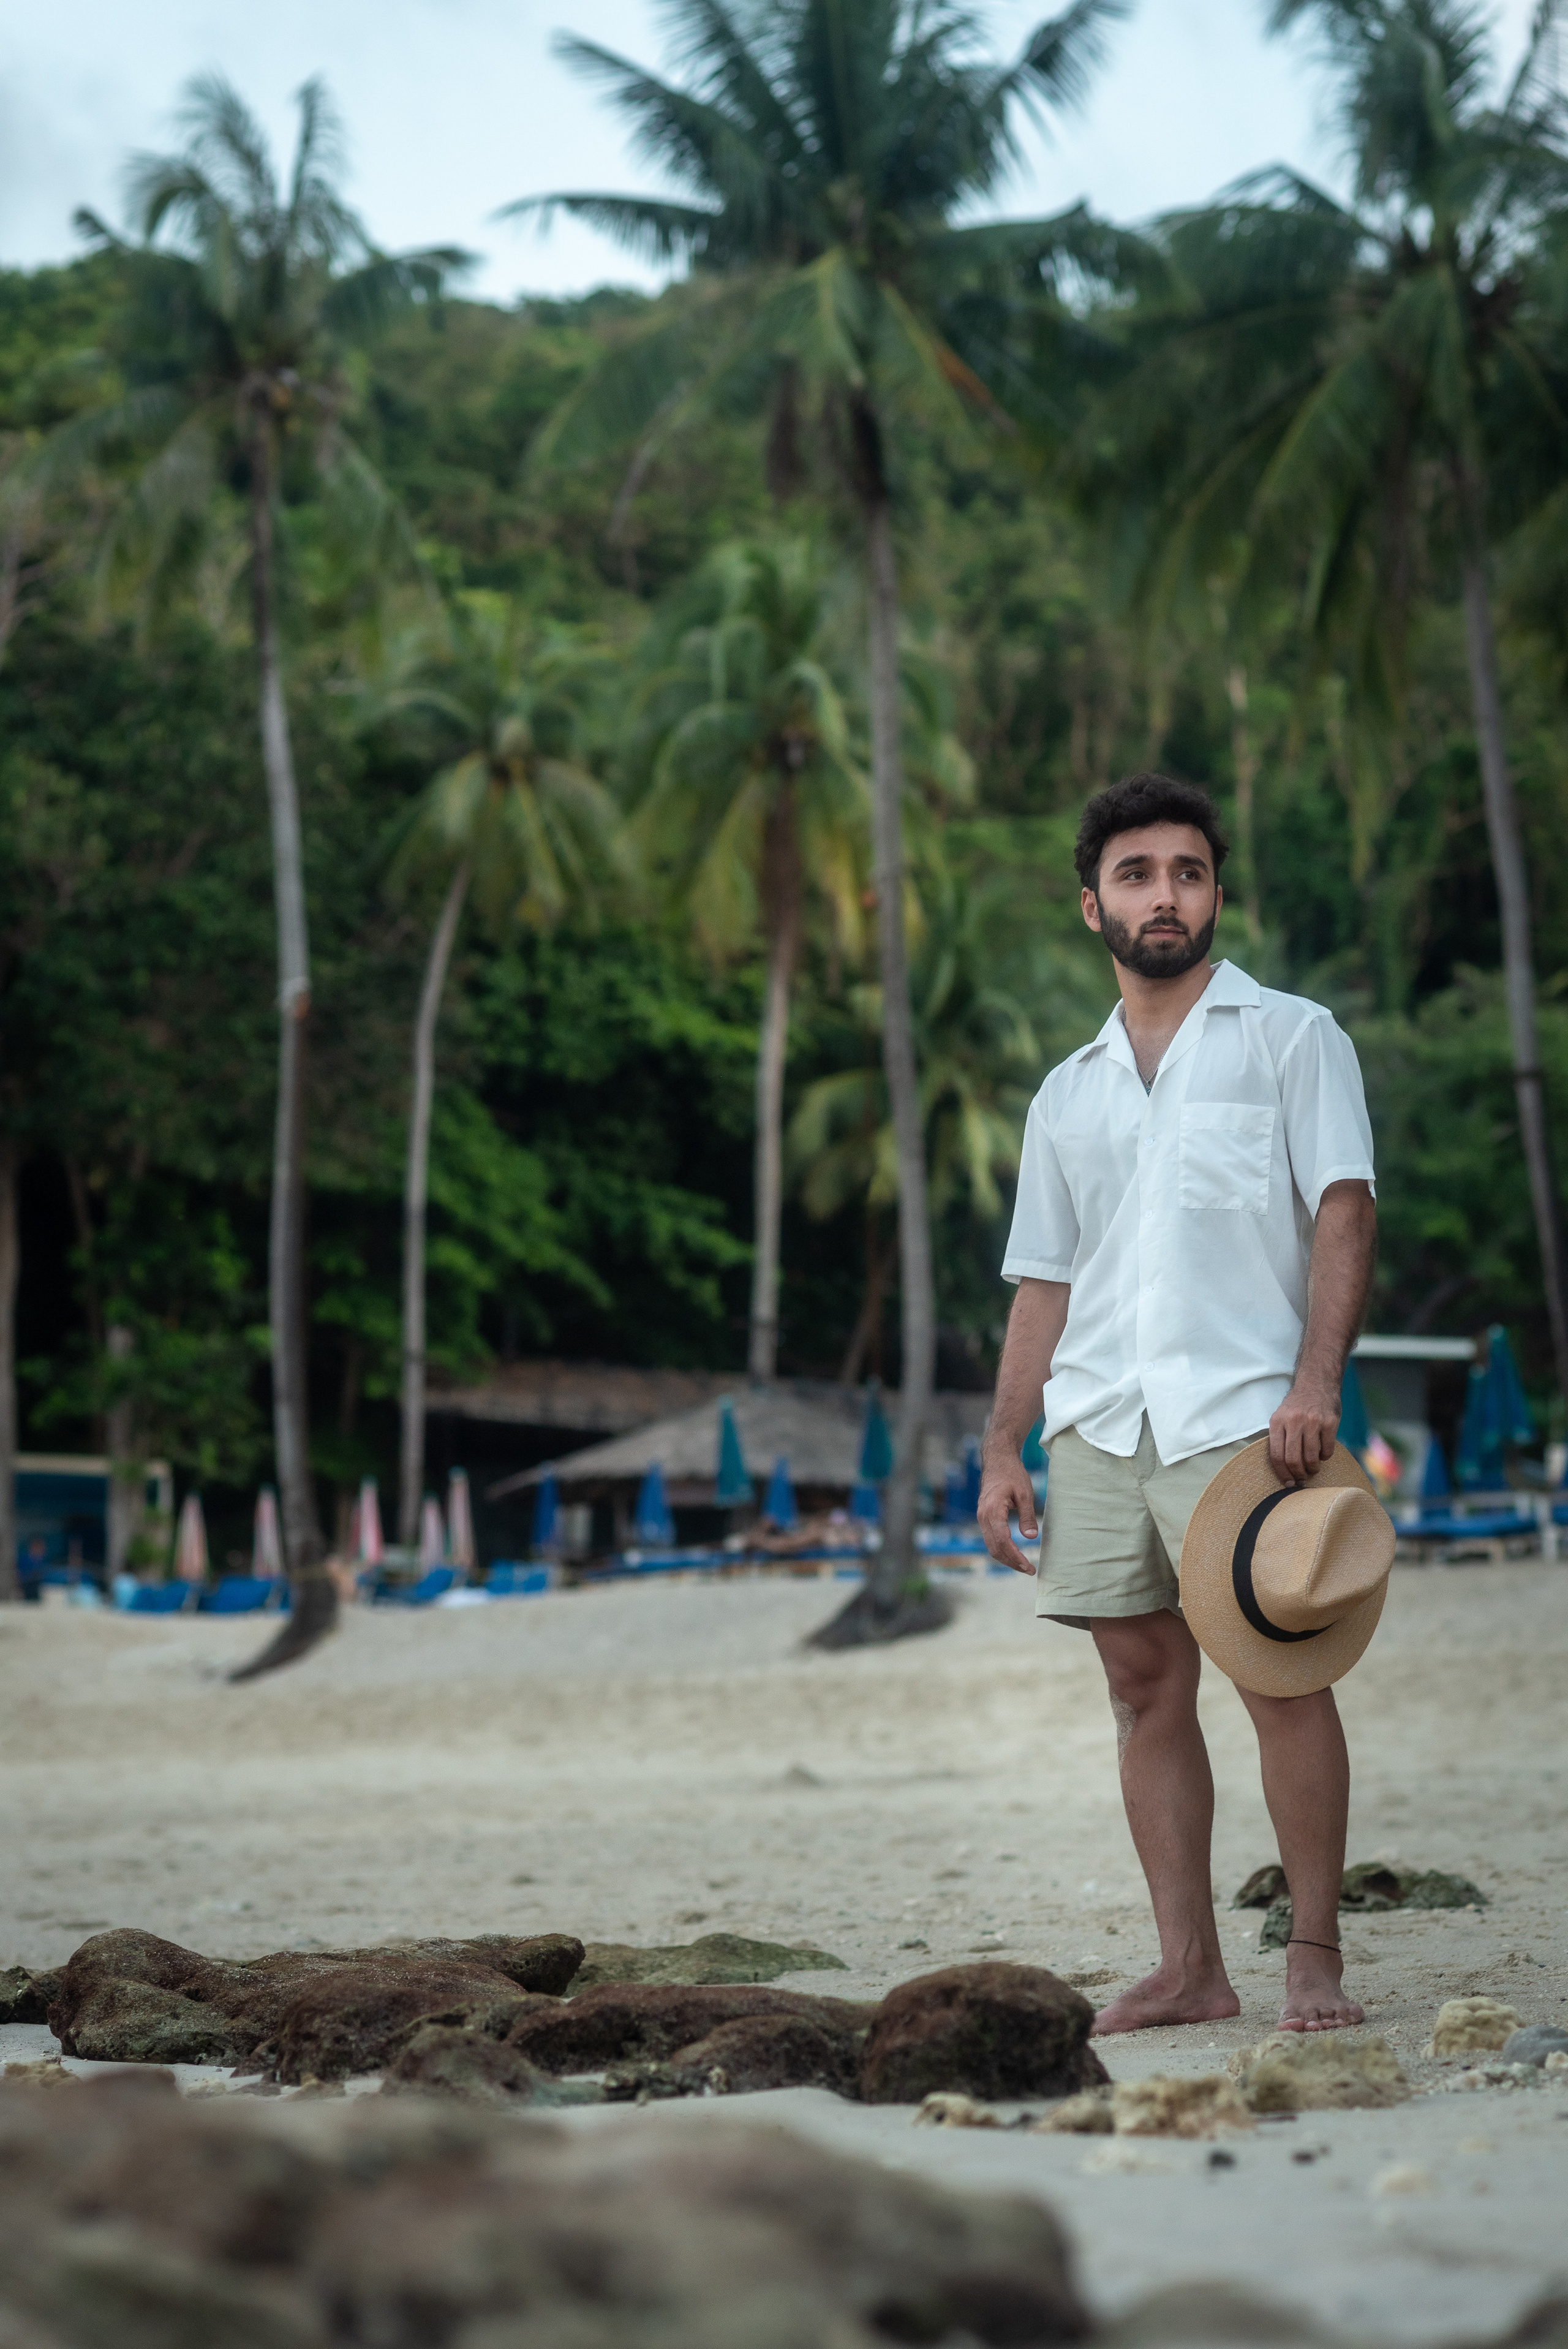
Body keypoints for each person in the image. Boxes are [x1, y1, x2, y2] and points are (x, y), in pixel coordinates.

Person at [978, 772, 1378, 2037]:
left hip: (1245, 1418)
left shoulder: (1290, 1036)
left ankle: (1308, 1953)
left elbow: (1343, 1211)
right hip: (1095, 1419)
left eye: (1187, 872)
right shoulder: (1067, 1091)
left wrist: (1314, 1384)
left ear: (1214, 893)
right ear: (1088, 902)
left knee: (1280, 1678)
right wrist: (1001, 1443)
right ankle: (1187, 1966)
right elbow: (1043, 1281)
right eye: (1137, 874)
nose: (1164, 895)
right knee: (1142, 1688)